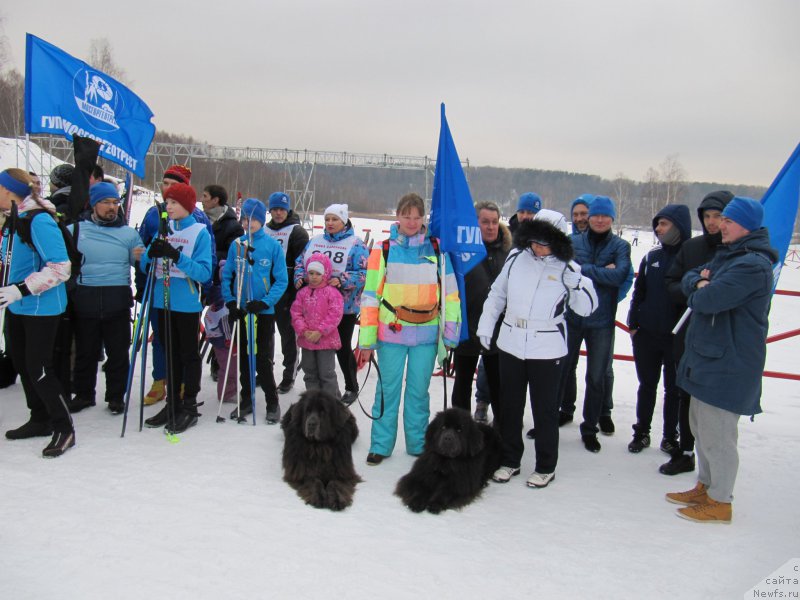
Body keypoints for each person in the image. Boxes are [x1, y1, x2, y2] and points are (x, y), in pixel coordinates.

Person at [667, 197, 776, 524]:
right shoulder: (729, 255)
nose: (720, 225)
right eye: (720, 220)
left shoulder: (751, 265)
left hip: (728, 363)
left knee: (718, 435)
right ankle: (706, 485)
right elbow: (689, 278)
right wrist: (699, 280)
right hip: (707, 357)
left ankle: (720, 501)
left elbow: (707, 299)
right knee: (700, 427)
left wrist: (701, 284)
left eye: (728, 221)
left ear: (747, 226)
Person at [479, 215, 597, 488]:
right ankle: (510, 459)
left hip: (547, 346)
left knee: (544, 409)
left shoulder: (568, 268)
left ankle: (546, 465)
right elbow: (497, 295)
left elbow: (587, 308)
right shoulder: (516, 259)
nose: (538, 248)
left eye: (545, 244)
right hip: (511, 342)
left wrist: (576, 283)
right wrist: (486, 326)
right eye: (534, 242)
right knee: (509, 406)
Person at [357, 192, 461, 465]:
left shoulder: (437, 249)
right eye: (407, 216)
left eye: (417, 217)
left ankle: (417, 444)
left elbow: (450, 296)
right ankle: (380, 444)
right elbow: (370, 296)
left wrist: (449, 337)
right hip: (391, 334)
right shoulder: (384, 249)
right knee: (387, 390)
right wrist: (366, 341)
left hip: (427, 336)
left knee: (418, 392)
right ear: (397, 217)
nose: (412, 222)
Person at [0, 168, 74, 457]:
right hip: (17, 306)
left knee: (40, 369)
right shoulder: (13, 219)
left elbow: (61, 266)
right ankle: (39, 418)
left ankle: (64, 427)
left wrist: (21, 288)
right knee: (21, 362)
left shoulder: (39, 219)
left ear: (8, 190)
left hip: (41, 307)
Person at [660, 190, 734, 475]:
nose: (712, 222)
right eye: (707, 216)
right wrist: (696, 289)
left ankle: (714, 465)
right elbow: (672, 283)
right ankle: (685, 450)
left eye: (719, 216)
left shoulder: (738, 251)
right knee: (685, 393)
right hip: (689, 332)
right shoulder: (692, 248)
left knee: (714, 405)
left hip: (721, 337)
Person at [136, 164, 216, 406]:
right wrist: (149, 256)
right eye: (167, 199)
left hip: (186, 300)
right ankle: (168, 392)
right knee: (165, 347)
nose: (167, 204)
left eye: (174, 200)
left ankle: (186, 398)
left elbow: (205, 269)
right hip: (161, 298)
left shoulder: (199, 227)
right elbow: (145, 263)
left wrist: (176, 256)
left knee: (186, 352)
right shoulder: (161, 223)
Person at [557, 196, 631, 453]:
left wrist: (584, 270)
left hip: (602, 322)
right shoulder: (573, 242)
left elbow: (620, 275)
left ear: (612, 219)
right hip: (573, 319)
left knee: (597, 377)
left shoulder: (621, 246)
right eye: (596, 215)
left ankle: (590, 428)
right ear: (589, 218)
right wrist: (601, 271)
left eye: (605, 216)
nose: (599, 220)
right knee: (563, 369)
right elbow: (566, 273)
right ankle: (558, 414)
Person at [68, 182, 144, 415]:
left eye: (115, 202)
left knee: (118, 353)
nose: (112, 207)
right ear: (93, 204)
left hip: (117, 299)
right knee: (86, 352)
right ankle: (83, 394)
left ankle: (116, 397)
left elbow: (141, 264)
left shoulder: (129, 234)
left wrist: (143, 258)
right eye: (106, 202)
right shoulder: (75, 230)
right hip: (85, 297)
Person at [626, 204, 691, 453]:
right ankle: (641, 432)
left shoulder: (689, 257)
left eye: (664, 224)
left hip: (676, 338)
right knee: (647, 385)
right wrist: (633, 323)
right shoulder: (651, 257)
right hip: (647, 335)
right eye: (657, 224)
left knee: (673, 389)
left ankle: (669, 436)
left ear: (678, 227)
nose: (658, 229)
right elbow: (638, 292)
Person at [222, 198, 288, 424]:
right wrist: (231, 301)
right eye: (245, 219)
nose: (248, 223)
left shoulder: (272, 246)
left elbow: (281, 280)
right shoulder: (237, 245)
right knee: (243, 357)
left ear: (261, 220)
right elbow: (227, 274)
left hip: (262, 313)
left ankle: (272, 402)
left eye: (253, 219)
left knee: (262, 359)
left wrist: (265, 302)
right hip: (242, 310)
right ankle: (247, 398)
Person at [295, 203, 368, 406]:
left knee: (341, 347)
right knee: (315, 345)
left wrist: (343, 280)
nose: (330, 223)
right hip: (314, 306)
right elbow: (300, 263)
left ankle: (351, 386)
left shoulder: (356, 244)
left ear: (343, 221)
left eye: (335, 219)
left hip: (343, 306)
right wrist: (299, 278)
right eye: (327, 219)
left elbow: (364, 273)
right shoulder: (314, 242)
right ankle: (317, 386)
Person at [451, 201, 511, 424]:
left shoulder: (508, 252)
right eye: (485, 222)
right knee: (462, 385)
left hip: (497, 332)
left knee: (498, 386)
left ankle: (501, 434)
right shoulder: (462, 251)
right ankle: (460, 431)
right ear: (475, 224)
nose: (490, 226)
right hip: (467, 327)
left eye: (494, 222)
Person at [265, 191, 309, 393]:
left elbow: (301, 264)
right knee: (265, 335)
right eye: (274, 209)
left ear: (288, 209)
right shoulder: (264, 229)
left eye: (282, 209)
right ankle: (265, 371)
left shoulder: (297, 232)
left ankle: (288, 374)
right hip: (265, 291)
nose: (278, 213)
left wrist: (295, 296)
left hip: (287, 293)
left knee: (287, 337)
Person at [200, 184, 243, 382]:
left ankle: (220, 364)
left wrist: (208, 256)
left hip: (220, 281)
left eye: (205, 196)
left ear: (216, 199)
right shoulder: (198, 219)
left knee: (222, 324)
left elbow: (234, 253)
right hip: (199, 278)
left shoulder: (232, 224)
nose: (202, 199)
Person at [290, 253, 344, 398]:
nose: (314, 277)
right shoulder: (302, 293)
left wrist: (320, 331)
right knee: (310, 372)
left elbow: (335, 315)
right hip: (307, 340)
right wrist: (303, 330)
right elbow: (296, 313)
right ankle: (313, 402)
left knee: (326, 373)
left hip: (326, 341)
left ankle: (333, 404)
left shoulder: (332, 293)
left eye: (318, 273)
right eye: (311, 273)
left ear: (325, 273)